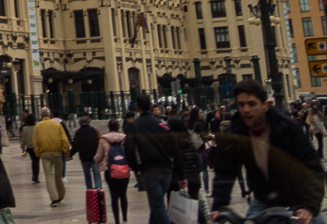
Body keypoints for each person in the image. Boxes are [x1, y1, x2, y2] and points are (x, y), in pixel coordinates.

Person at [210, 80, 325, 224]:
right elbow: (225, 172)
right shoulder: (235, 133)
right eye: (241, 104)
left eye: (252, 104)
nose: (246, 109)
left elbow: (313, 168)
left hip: (298, 199)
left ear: (265, 106)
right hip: (264, 201)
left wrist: (309, 207)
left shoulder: (287, 128)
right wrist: (219, 206)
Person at [124, 93, 182, 224]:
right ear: (151, 106)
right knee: (156, 204)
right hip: (167, 169)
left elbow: (128, 149)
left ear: (137, 107)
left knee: (157, 206)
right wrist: (180, 173)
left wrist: (135, 167)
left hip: (150, 170)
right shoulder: (163, 125)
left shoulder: (134, 126)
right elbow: (175, 149)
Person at [33, 107, 70, 207]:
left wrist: (37, 153)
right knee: (58, 175)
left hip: (44, 154)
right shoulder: (57, 125)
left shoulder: (38, 126)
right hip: (57, 152)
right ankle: (61, 194)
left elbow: (35, 142)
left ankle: (54, 199)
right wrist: (66, 151)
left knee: (49, 175)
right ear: (50, 115)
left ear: (41, 116)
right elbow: (64, 139)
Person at [96, 119, 129, 224]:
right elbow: (129, 153)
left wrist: (94, 159)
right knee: (123, 195)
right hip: (123, 170)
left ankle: (117, 221)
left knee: (114, 196)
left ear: (108, 127)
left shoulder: (103, 139)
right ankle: (125, 219)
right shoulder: (125, 138)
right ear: (118, 127)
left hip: (109, 171)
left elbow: (98, 157)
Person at [167, 109, 201, 202]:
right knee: (193, 209)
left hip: (177, 180)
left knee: (176, 209)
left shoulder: (171, 143)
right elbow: (197, 159)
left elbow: (174, 162)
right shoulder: (189, 140)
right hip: (193, 179)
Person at [70, 114, 102, 190]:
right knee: (97, 176)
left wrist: (70, 155)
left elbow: (76, 146)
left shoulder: (78, 132)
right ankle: (98, 191)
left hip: (84, 158)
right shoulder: (94, 130)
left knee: (87, 176)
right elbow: (99, 142)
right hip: (94, 157)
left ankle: (90, 192)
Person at [20, 113, 39, 183]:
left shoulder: (25, 128)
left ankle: (34, 176)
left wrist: (23, 147)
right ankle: (35, 176)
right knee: (36, 161)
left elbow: (23, 139)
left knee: (33, 161)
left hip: (29, 147)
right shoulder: (37, 127)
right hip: (36, 146)